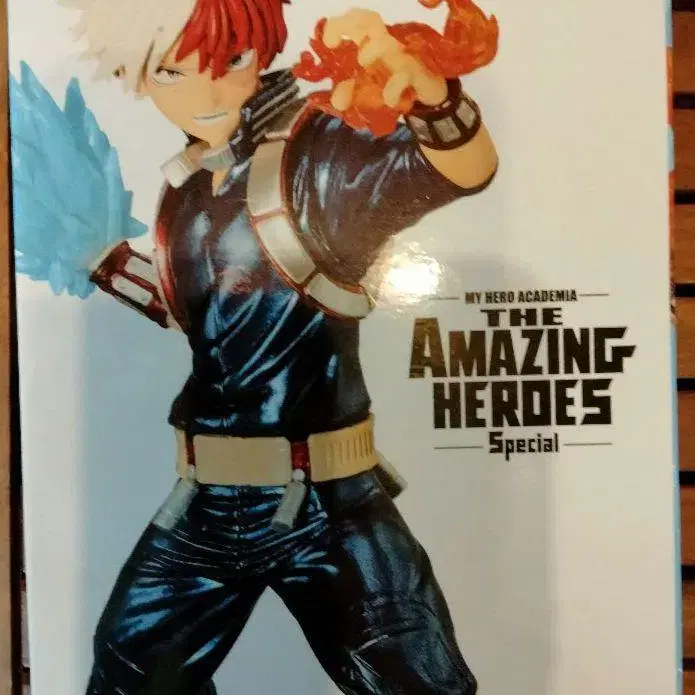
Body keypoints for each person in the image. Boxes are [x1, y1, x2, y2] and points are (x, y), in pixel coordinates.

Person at [59, 0, 498, 692]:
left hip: (328, 503)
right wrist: (104, 263)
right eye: (170, 71)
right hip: (203, 502)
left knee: (417, 680)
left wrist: (435, 102)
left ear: (261, 50)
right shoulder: (190, 186)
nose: (203, 92)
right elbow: (209, 320)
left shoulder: (314, 155)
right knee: (126, 675)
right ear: (137, 75)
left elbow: (455, 169)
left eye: (228, 60)